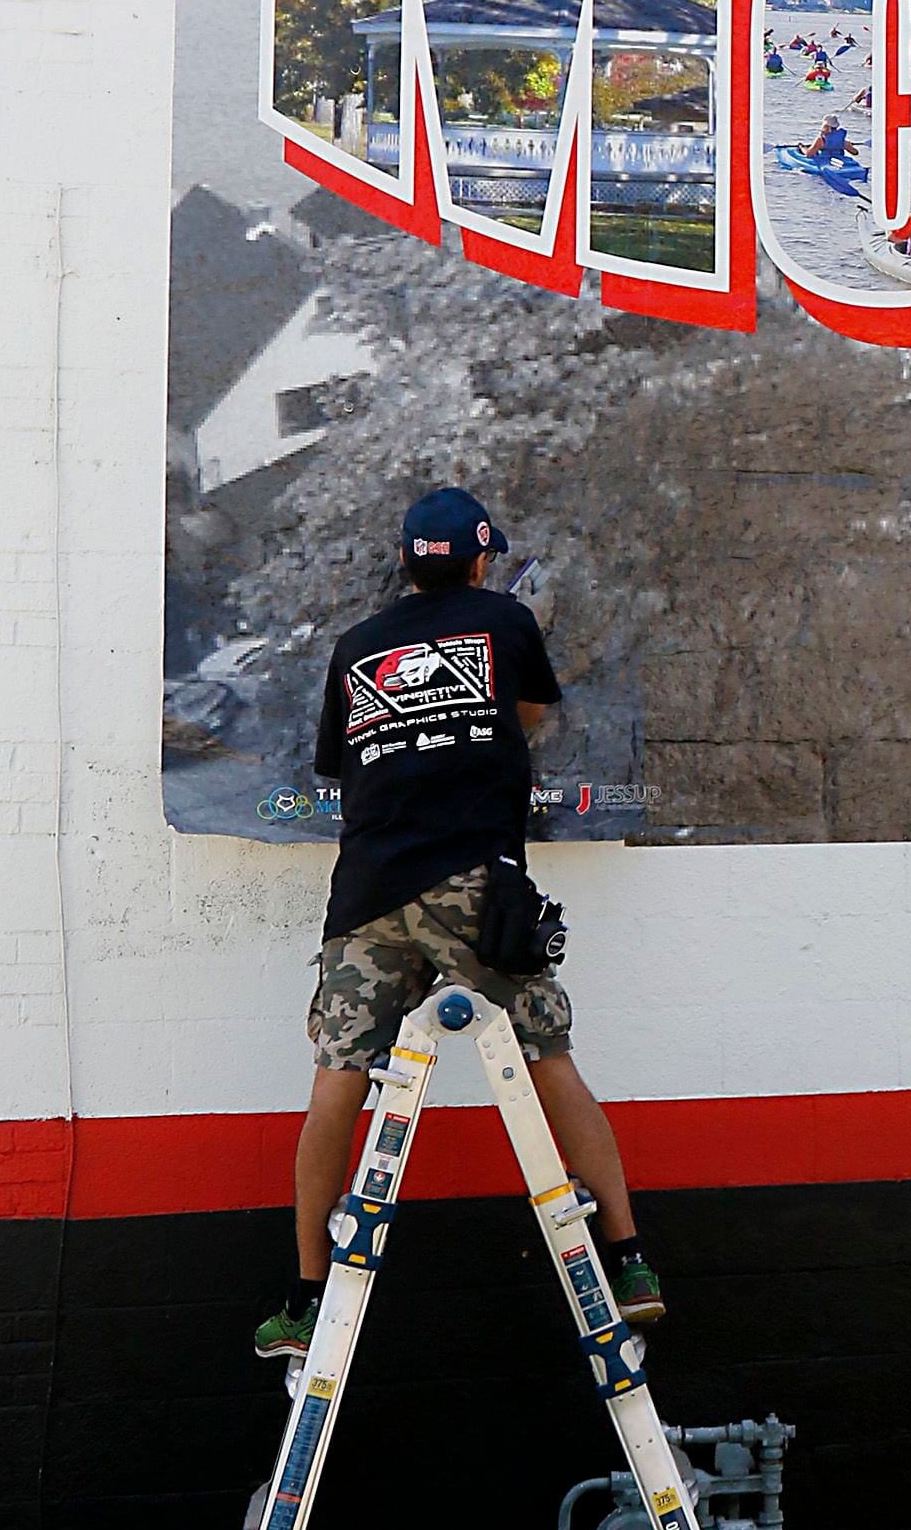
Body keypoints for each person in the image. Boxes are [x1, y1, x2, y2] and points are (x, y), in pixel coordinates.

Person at [254, 488, 663, 1361]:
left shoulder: (355, 647)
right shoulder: (504, 622)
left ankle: (302, 1294)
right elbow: (527, 719)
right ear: (481, 561)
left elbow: (343, 764)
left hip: (365, 896)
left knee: (336, 1083)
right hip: (473, 888)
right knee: (549, 1060)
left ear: (404, 564)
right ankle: (628, 1259)